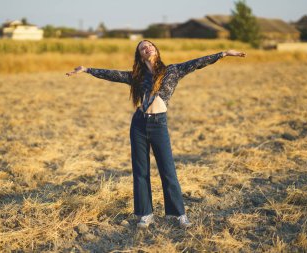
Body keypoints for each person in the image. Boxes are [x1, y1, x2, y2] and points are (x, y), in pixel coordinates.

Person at [66, 40, 246, 229]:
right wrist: (87, 70)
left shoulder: (173, 71)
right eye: (143, 48)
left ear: (156, 50)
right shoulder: (136, 76)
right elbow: (113, 74)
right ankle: (145, 214)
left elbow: (198, 62)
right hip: (139, 124)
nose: (147, 48)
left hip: (159, 124)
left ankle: (178, 214)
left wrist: (223, 54)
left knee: (168, 170)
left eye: (150, 45)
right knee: (140, 171)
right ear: (140, 55)